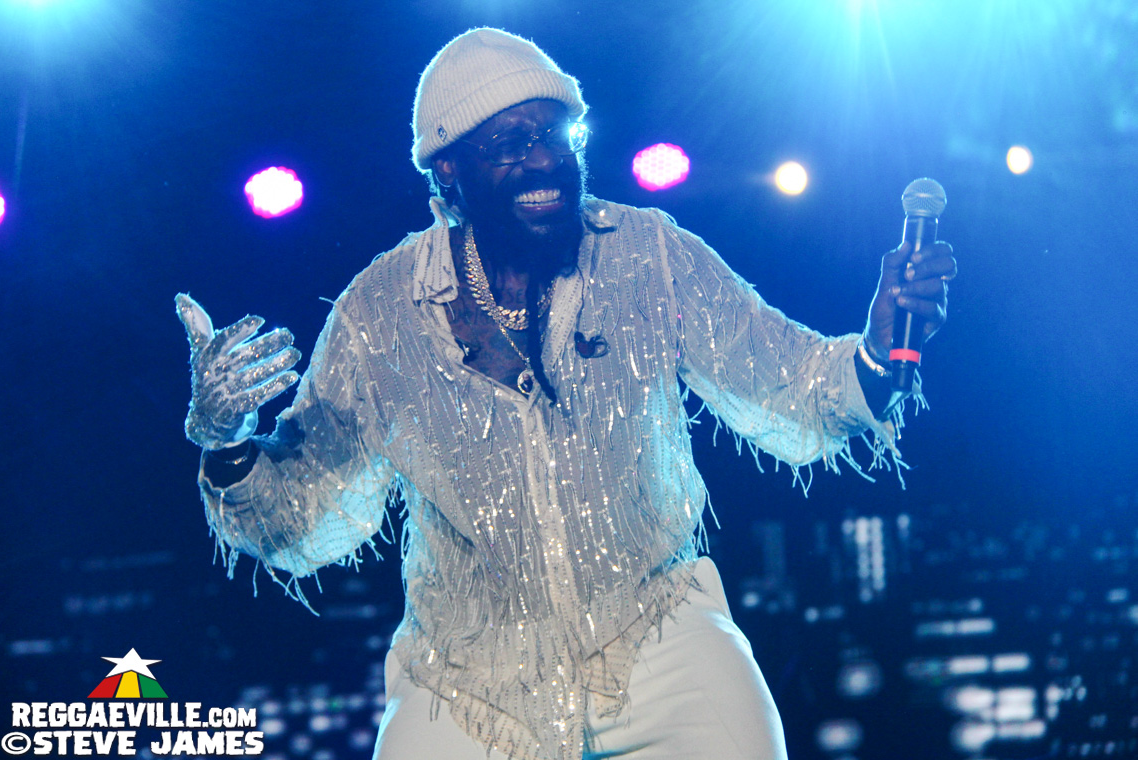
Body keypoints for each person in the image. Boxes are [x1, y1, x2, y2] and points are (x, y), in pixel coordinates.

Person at [176, 28, 956, 760]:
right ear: (447, 168)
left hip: (657, 635)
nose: (544, 161)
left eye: (556, 136)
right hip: (467, 677)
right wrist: (228, 440)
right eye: (510, 145)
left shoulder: (647, 254)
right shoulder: (382, 311)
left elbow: (787, 381)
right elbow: (305, 513)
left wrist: (882, 355)